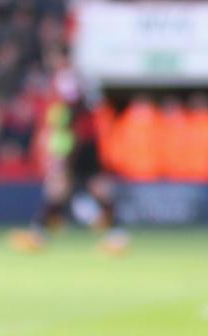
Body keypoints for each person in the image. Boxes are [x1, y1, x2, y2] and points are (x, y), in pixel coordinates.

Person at [10, 68, 126, 254]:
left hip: (82, 149)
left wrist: (60, 157)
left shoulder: (73, 108)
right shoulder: (81, 105)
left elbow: (69, 134)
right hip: (86, 148)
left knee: (68, 190)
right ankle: (114, 236)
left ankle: (41, 234)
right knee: (71, 191)